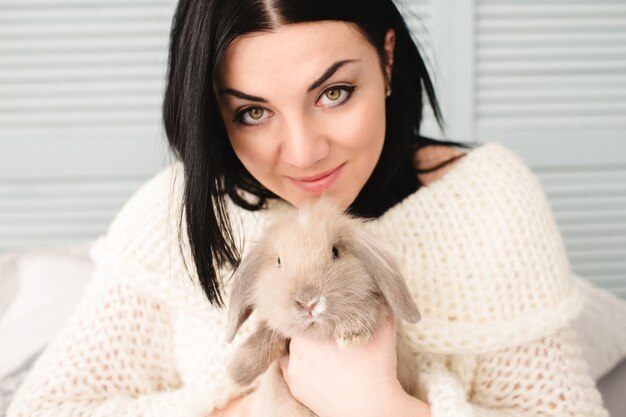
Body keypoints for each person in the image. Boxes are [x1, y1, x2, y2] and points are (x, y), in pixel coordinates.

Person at [7, 0, 609, 416]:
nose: (302, 153)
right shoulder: (172, 211)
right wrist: (249, 404)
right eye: (252, 111)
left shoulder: (489, 203)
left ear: (389, 59)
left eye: (334, 93)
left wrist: (382, 408)